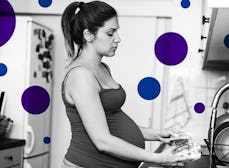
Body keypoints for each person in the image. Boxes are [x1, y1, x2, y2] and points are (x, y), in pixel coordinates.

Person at [60, 1, 192, 167]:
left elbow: (112, 121)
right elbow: (103, 141)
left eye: (117, 31)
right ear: (88, 35)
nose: (118, 38)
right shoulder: (81, 76)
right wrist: (158, 158)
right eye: (110, 33)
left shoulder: (103, 68)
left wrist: (156, 133)